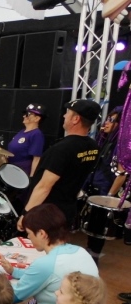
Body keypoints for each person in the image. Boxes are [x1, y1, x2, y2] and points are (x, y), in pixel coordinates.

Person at [18, 99, 101, 230]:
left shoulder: (61, 149)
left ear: (75, 119)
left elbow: (44, 186)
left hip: (47, 214)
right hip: (67, 211)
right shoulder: (93, 147)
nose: (64, 116)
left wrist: (26, 214)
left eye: (68, 113)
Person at [83, 107, 128, 264]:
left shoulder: (120, 145)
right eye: (107, 119)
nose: (106, 123)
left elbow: (122, 173)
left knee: (98, 227)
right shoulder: (104, 140)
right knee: (91, 225)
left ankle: (93, 257)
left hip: (105, 190)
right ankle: (89, 252)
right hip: (95, 185)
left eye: (112, 120)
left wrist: (109, 196)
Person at [7, 104, 46, 177]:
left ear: (37, 118)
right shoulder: (22, 131)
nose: (24, 116)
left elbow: (36, 159)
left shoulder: (36, 134)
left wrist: (31, 177)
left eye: (28, 114)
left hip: (22, 171)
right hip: (11, 168)